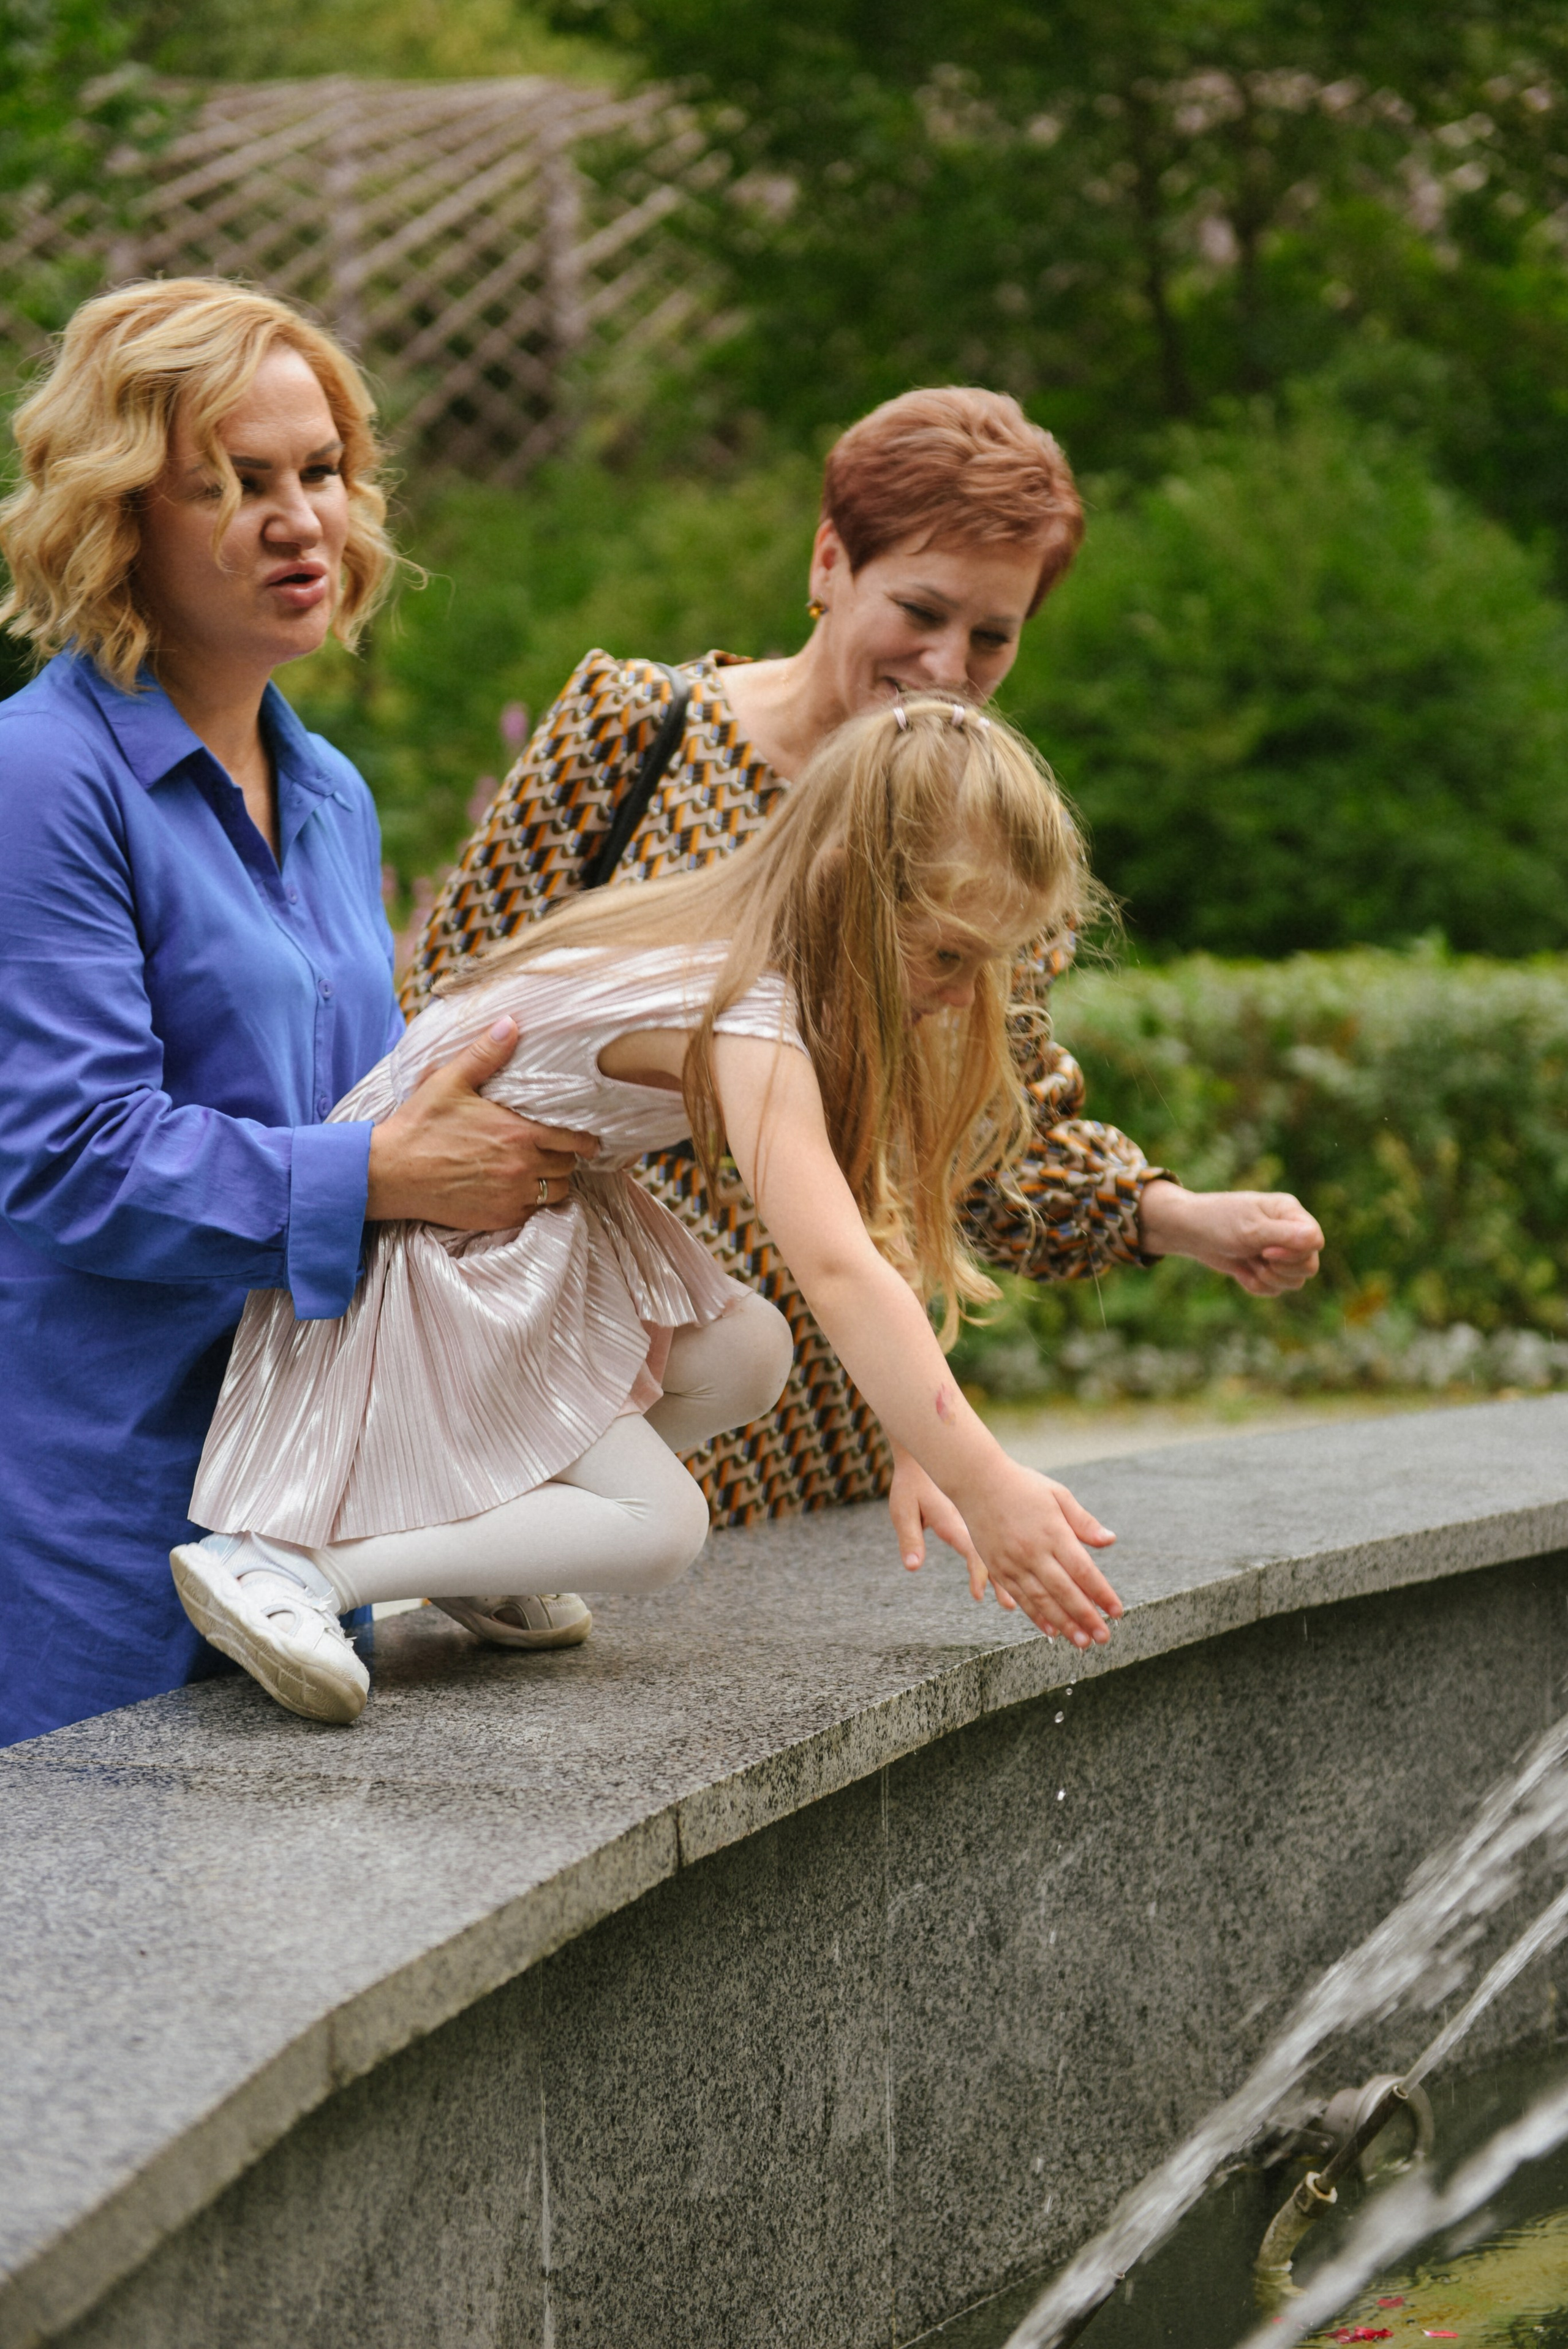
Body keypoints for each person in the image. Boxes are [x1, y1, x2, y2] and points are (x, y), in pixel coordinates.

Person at [405, 386, 1324, 1557]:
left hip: (841, 1427)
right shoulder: (639, 733)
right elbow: (443, 1017)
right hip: (599, 1396)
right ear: (831, 560)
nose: (949, 664)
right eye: (922, 610)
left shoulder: (982, 853)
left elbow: (994, 1145)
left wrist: (1178, 1219)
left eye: (994, 635)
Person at [174, 698, 1126, 1725]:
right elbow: (840, 1269)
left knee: (747, 1350)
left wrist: (923, 1442)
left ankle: (483, 1554)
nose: (959, 990)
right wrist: (983, 1478)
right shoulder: (739, 1007)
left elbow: (861, 1225)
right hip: (432, 1248)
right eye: (946, 955)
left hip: (512, 1231)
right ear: (846, 884)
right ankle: (288, 1562)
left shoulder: (741, 949)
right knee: (659, 1523)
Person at [0, 278, 597, 1746]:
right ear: (118, 513)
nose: (301, 520)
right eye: (234, 484)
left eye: (320, 473)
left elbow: (358, 1100)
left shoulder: (326, 789)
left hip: (308, 1480)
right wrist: (381, 1172)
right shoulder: (39, 781)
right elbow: (70, 1153)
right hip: (101, 1505)